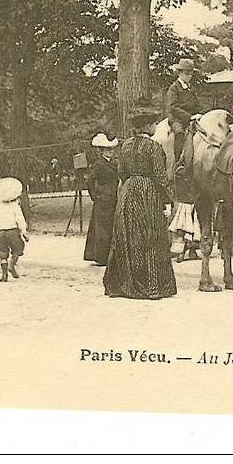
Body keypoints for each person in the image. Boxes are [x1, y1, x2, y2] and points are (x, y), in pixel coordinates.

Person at [103, 101, 177, 300]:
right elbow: (160, 177)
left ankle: (123, 284)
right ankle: (152, 286)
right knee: (150, 236)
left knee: (128, 236)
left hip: (128, 191)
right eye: (154, 124)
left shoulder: (125, 146)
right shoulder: (154, 147)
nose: (155, 127)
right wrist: (168, 200)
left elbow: (121, 173)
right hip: (147, 192)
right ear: (147, 126)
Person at [83, 133, 119, 266]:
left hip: (113, 198)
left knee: (111, 227)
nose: (111, 151)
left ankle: (110, 255)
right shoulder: (99, 164)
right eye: (108, 149)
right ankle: (101, 256)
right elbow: (89, 180)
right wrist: (95, 196)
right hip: (103, 200)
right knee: (102, 229)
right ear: (102, 150)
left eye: (112, 149)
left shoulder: (113, 164)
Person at [0, 177, 29, 283]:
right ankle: (12, 264)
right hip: (12, 231)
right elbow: (20, 219)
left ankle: (4, 273)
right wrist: (24, 231)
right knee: (18, 248)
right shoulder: (14, 206)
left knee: (2, 253)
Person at [165, 58, 200, 167]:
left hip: (192, 117)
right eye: (187, 74)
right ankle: (178, 162)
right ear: (179, 73)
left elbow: (197, 104)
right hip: (177, 118)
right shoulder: (174, 88)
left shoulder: (191, 88)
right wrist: (189, 117)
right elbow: (173, 107)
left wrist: (199, 113)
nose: (189, 76)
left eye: (191, 74)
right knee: (179, 133)